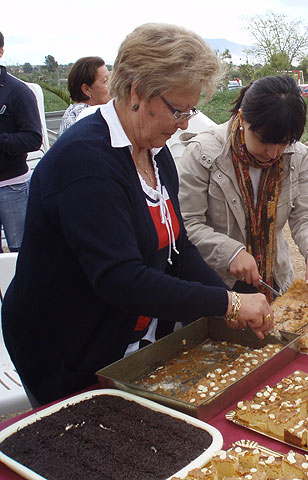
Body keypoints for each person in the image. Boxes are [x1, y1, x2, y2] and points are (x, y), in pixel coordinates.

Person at [1, 23, 274, 407]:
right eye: (179, 111)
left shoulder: (156, 152)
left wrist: (226, 298)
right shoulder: (86, 162)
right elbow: (121, 279)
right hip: (66, 345)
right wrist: (225, 305)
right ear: (136, 92)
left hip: (123, 335)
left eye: (191, 111)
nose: (184, 124)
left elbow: (178, 249)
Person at [177, 75, 308, 299]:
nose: (273, 153)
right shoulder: (204, 153)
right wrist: (230, 252)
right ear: (243, 118)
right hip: (216, 286)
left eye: (284, 143)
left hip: (272, 281)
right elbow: (186, 224)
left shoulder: (297, 155)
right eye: (264, 141)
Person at [0, 31, 42, 252]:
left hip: (12, 187)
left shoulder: (18, 92)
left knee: (22, 252)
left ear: (1, 52)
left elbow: (34, 139)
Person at [59, 56, 111, 135]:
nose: (112, 85)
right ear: (86, 89)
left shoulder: (73, 112)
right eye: (105, 82)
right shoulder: (90, 117)